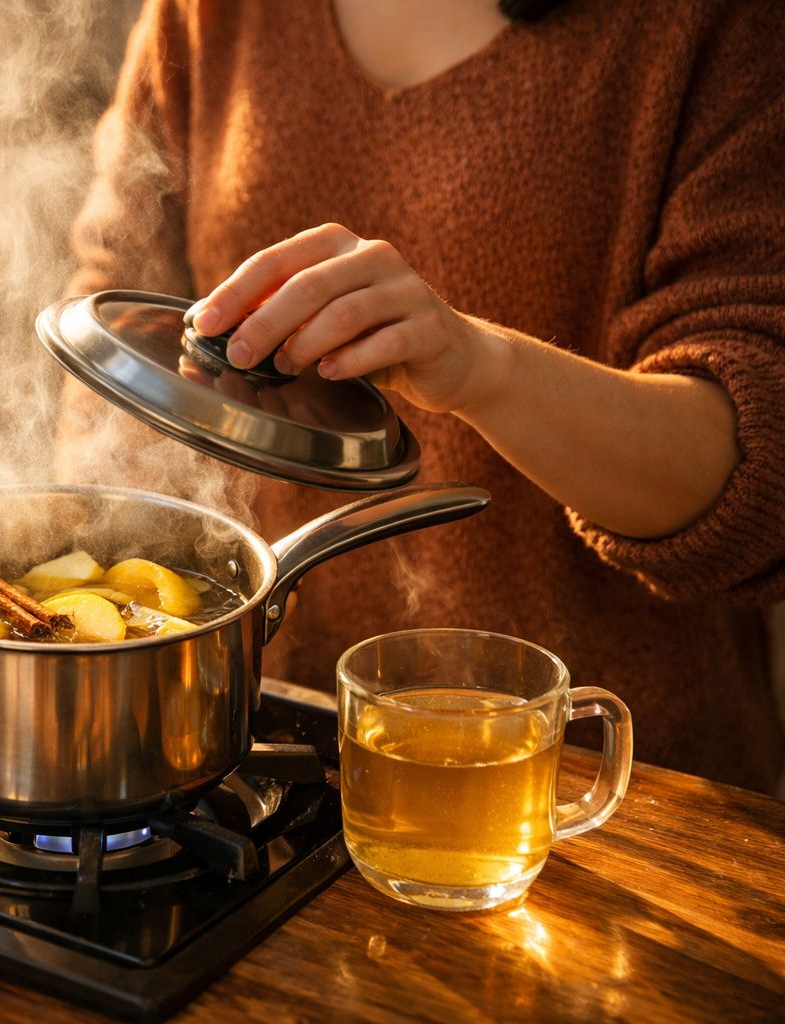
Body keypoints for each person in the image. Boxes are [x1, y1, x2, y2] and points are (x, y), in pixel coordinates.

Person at [65, 0, 785, 791]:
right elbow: (118, 294)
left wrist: (480, 366)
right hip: (267, 747)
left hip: (596, 781)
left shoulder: (715, 27)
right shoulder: (206, 16)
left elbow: (759, 473)